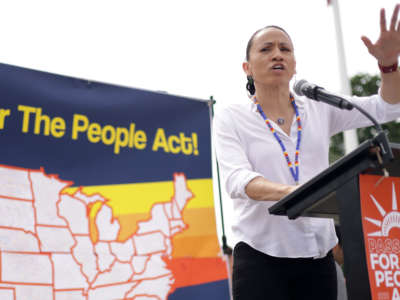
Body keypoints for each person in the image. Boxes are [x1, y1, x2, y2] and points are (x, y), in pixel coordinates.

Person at [213, 5, 400, 300]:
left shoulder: (317, 106)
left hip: (317, 257)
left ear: (295, 64)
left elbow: (387, 107)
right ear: (247, 68)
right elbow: (238, 180)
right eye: (266, 49)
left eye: (285, 49)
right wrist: (299, 193)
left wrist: (389, 66)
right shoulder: (231, 117)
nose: (278, 54)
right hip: (261, 258)